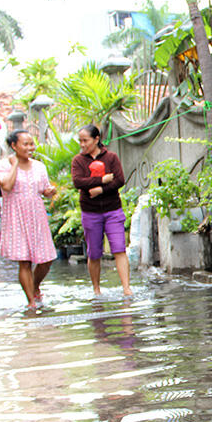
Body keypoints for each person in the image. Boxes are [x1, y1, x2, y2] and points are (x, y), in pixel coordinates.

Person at [0, 130, 58, 309]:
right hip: (16, 216)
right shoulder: (3, 165)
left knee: (47, 258)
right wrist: (14, 165)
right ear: (14, 146)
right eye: (25, 144)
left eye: (32, 144)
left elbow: (44, 189)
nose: (30, 148)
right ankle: (31, 301)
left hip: (37, 215)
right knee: (24, 260)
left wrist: (49, 192)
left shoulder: (39, 166)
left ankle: (35, 285)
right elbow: (6, 185)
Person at [71, 124, 132, 296]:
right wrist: (101, 179)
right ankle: (96, 289)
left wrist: (101, 189)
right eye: (80, 141)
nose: (82, 144)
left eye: (86, 140)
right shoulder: (78, 161)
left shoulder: (111, 157)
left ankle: (126, 288)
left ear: (96, 139)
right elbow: (78, 182)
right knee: (94, 252)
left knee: (119, 248)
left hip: (113, 209)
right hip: (90, 211)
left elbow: (119, 180)